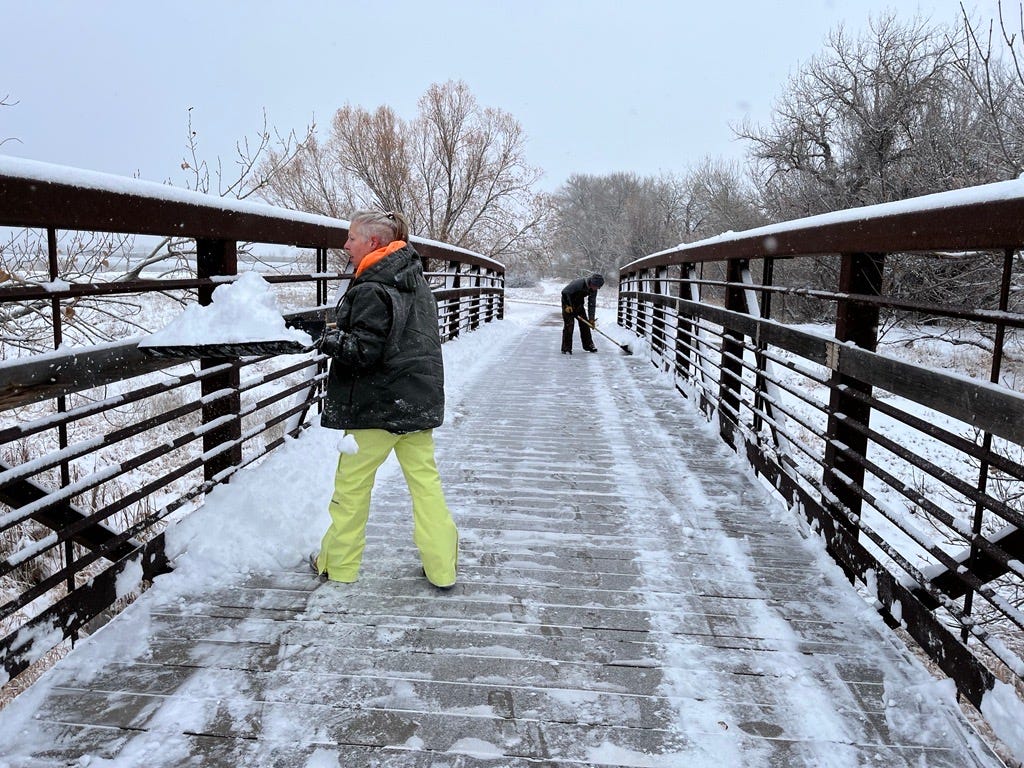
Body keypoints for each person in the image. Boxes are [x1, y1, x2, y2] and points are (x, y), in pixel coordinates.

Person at [311, 210, 458, 588]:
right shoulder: (413, 279)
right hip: (416, 402)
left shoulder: (371, 287)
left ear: (373, 242)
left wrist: (325, 337)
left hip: (375, 408)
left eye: (352, 238)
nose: (346, 245)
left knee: (351, 489)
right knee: (426, 487)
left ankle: (339, 566)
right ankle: (442, 568)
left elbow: (364, 352)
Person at [561, 273, 605, 354]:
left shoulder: (594, 290)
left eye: (598, 287)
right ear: (591, 283)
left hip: (578, 304)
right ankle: (566, 348)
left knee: (585, 324)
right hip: (567, 302)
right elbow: (564, 292)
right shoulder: (579, 283)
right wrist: (568, 305)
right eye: (595, 286)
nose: (595, 289)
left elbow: (592, 304)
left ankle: (588, 345)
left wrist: (591, 319)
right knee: (569, 325)